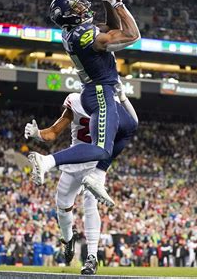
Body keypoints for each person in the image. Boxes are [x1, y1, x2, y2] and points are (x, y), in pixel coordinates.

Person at [28, 0, 140, 205]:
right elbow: (131, 35)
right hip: (99, 93)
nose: (84, 7)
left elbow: (111, 28)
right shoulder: (85, 37)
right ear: (71, 15)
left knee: (129, 126)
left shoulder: (73, 31)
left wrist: (105, 0)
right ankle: (47, 161)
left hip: (98, 90)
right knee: (99, 149)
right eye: (77, 7)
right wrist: (117, 1)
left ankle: (97, 175)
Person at [24, 87, 138, 275]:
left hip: (94, 164)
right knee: (62, 207)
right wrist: (38, 133)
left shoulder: (111, 106)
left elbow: (130, 127)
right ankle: (69, 240)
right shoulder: (76, 100)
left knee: (90, 204)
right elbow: (53, 132)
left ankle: (92, 257)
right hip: (74, 159)